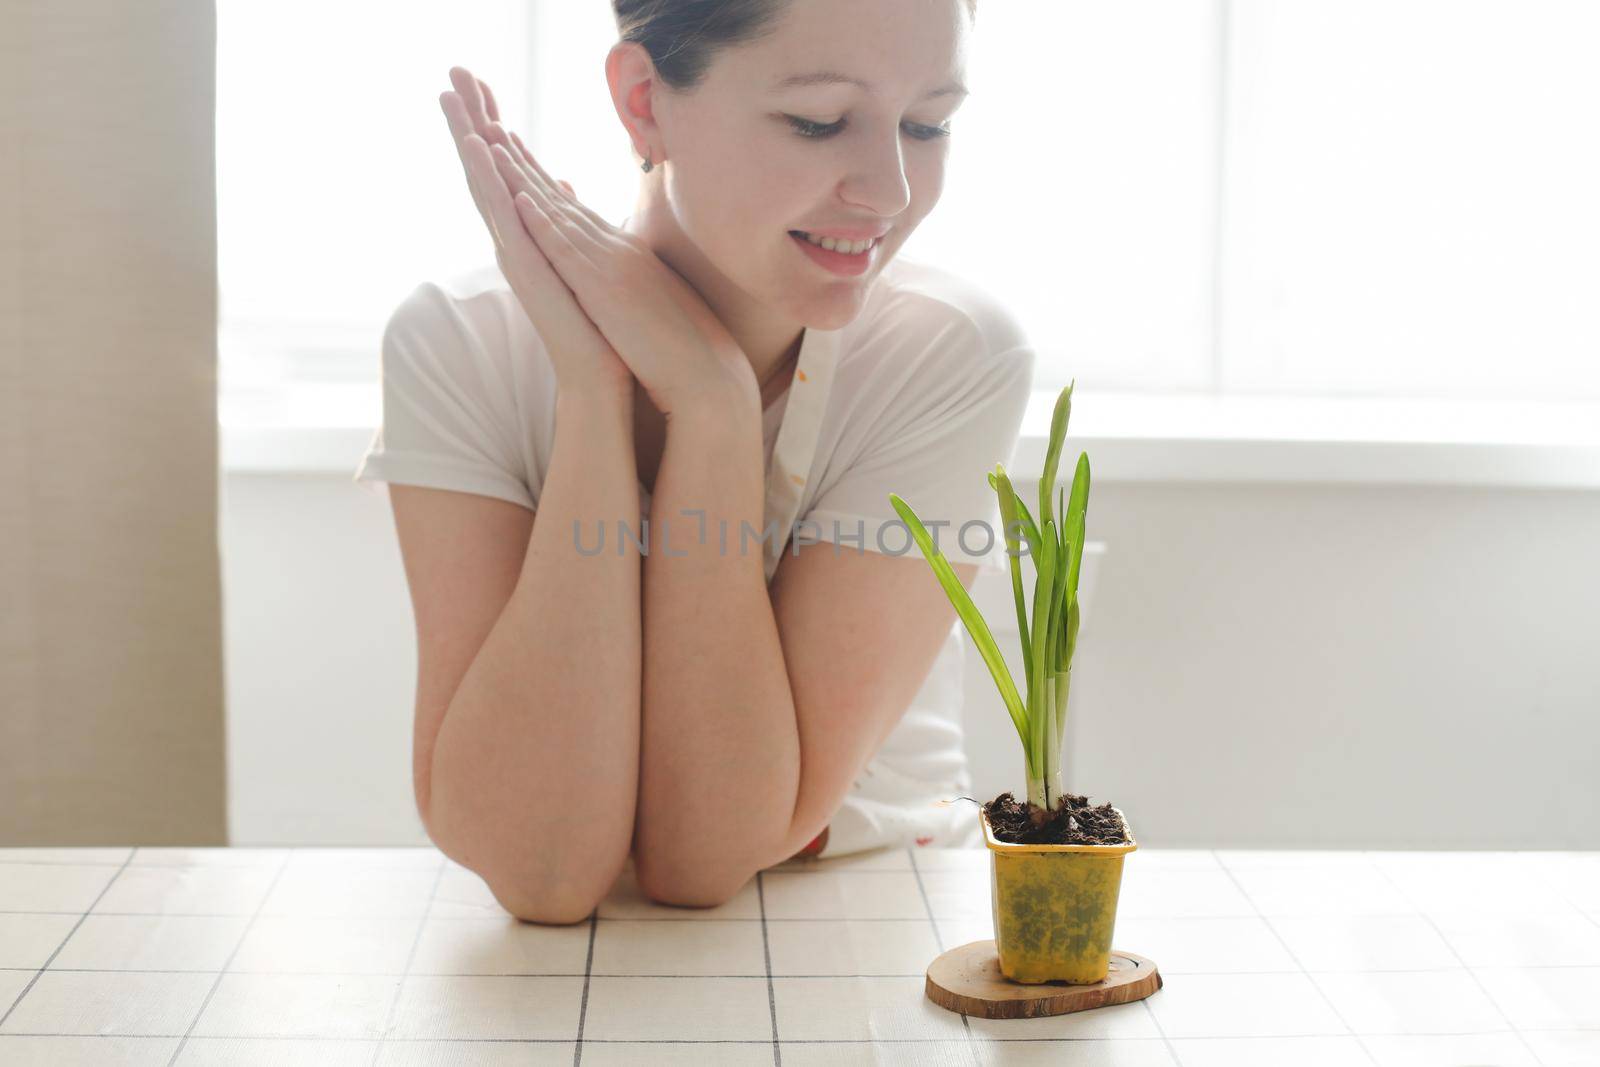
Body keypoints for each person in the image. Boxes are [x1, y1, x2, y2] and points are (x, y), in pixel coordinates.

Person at [353, 0, 1034, 923]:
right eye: (819, 121)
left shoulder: (945, 352)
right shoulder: (461, 342)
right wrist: (594, 390)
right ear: (644, 102)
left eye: (928, 124)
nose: (891, 191)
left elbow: (704, 853)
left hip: (869, 913)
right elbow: (541, 873)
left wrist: (711, 410)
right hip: (555, 966)